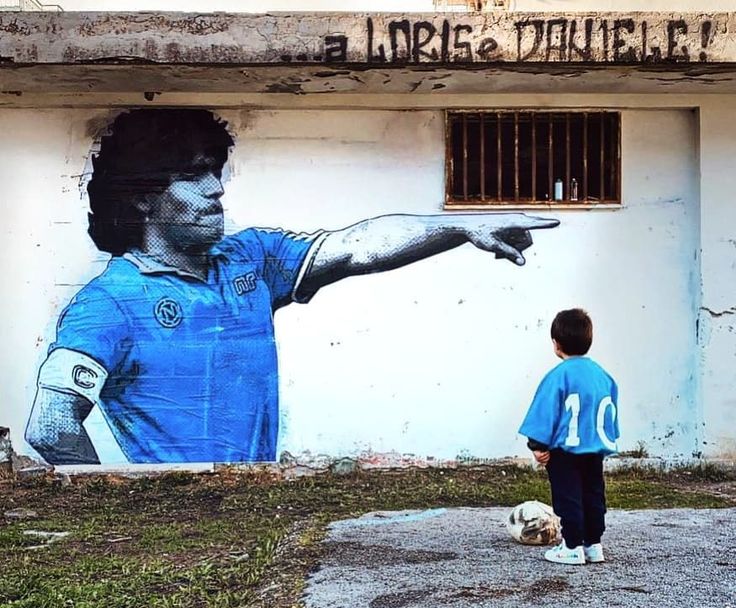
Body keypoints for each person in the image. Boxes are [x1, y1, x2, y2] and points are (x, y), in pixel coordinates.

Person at [25, 108, 559, 465]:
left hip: (258, 506)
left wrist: (460, 226)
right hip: (178, 520)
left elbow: (356, 246)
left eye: (216, 171)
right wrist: (129, 501)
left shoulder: (251, 257)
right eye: (192, 175)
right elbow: (51, 426)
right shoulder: (108, 303)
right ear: (142, 197)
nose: (215, 190)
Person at [518, 308, 619, 565]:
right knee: (593, 494)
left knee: (568, 496)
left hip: (565, 451)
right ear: (588, 341)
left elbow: (544, 412)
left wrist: (537, 445)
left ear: (556, 344)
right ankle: (593, 544)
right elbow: (609, 411)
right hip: (593, 449)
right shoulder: (603, 376)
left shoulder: (557, 376)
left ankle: (572, 546)